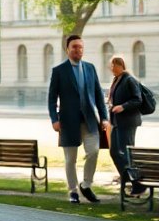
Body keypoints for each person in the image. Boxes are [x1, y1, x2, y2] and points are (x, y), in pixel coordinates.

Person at [47, 35, 108, 204]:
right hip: (67, 122)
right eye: (74, 47)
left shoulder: (90, 68)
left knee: (94, 151)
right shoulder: (59, 71)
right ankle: (73, 191)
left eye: (80, 47)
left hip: (89, 120)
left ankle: (86, 185)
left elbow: (98, 95)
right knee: (70, 160)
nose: (78, 50)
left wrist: (104, 118)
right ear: (67, 49)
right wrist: (54, 119)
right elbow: (52, 98)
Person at [105, 55, 145, 197]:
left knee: (127, 154)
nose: (112, 68)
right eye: (111, 65)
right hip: (116, 122)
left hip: (127, 122)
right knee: (114, 152)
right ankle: (128, 179)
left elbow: (137, 99)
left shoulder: (129, 80)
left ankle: (138, 184)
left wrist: (122, 106)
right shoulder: (116, 80)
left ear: (121, 66)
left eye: (114, 65)